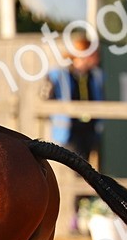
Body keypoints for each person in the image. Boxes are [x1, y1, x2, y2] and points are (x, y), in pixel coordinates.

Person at [45, 30, 104, 164]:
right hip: (69, 131)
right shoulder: (58, 75)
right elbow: (45, 99)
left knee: (87, 169)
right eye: (94, 54)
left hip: (90, 130)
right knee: (73, 168)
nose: (97, 59)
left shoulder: (96, 76)